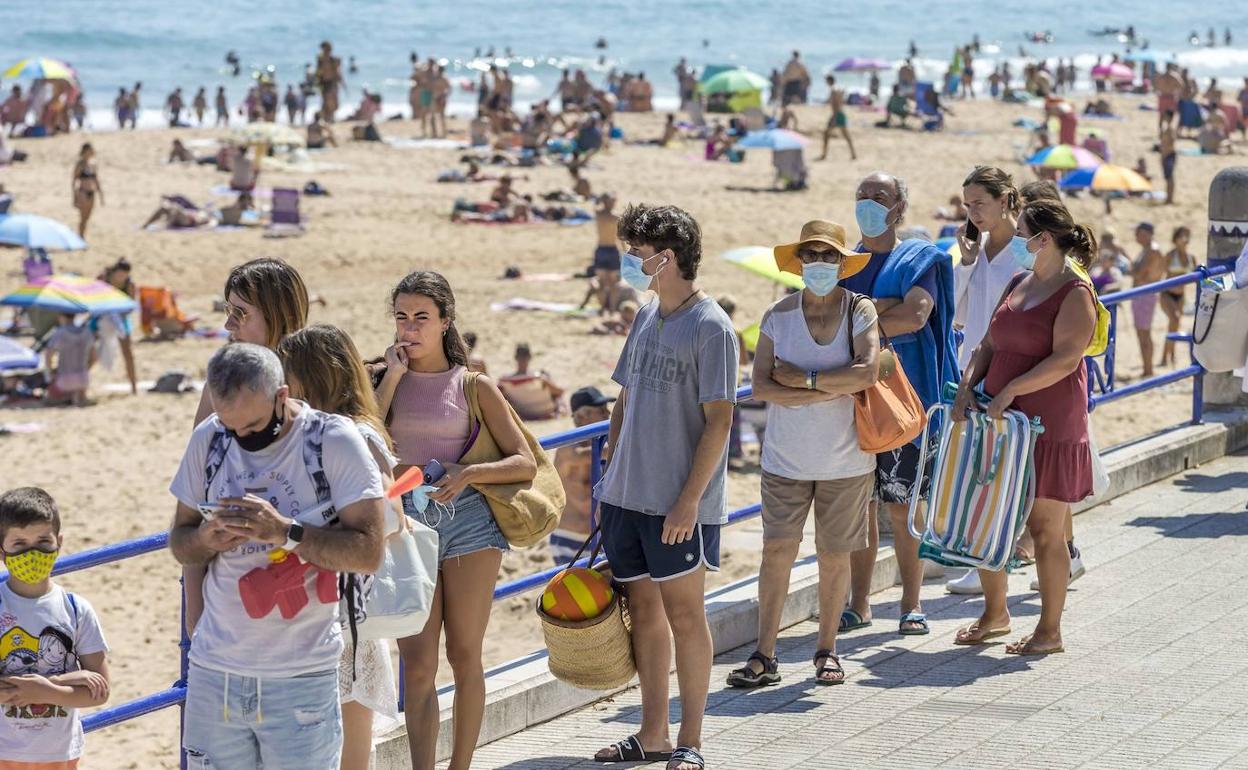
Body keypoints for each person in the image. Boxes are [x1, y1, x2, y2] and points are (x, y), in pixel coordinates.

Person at [168, 343, 387, 769]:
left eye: (252, 426)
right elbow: (179, 541)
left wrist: (285, 532)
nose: (241, 441)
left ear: (282, 397)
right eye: (231, 428)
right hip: (217, 673)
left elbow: (369, 552)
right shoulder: (211, 439)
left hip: (301, 676)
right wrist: (208, 538)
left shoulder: (333, 441)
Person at [591, 204, 738, 770]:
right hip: (626, 497)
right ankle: (652, 735)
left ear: (665, 256)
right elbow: (624, 397)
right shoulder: (647, 314)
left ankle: (692, 741)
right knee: (645, 617)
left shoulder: (712, 327)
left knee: (685, 618)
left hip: (677, 505)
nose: (629, 261)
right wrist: (610, 467)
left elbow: (720, 420)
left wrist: (688, 501)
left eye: (635, 251)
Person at [372, 271, 537, 770]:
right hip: (406, 525)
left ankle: (460, 765)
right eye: (402, 316)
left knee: (465, 655)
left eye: (422, 317)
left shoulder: (473, 385)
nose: (410, 327)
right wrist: (394, 376)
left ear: (445, 322)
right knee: (417, 665)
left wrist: (469, 472)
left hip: (468, 522)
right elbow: (366, 442)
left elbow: (524, 461)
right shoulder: (380, 380)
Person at [726, 220, 879, 689]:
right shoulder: (778, 315)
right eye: (810, 255)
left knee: (834, 556)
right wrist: (830, 387)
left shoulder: (860, 310)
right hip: (785, 460)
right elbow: (762, 386)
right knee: (777, 552)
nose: (819, 263)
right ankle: (764, 653)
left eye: (828, 255)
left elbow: (867, 374)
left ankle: (826, 650)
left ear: (841, 263)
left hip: (846, 461)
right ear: (799, 263)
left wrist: (805, 382)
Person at [950, 198, 1098, 655]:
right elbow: (990, 340)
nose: (1015, 240)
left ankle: (1049, 631)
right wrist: (967, 385)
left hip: (1047, 423)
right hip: (997, 416)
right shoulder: (1019, 280)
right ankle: (995, 614)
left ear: (1044, 239)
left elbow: (1066, 359)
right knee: (985, 514)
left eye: (1022, 233)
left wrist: (1011, 390)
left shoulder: (1075, 292)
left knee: (1044, 529)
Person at [277, 325, 403, 770]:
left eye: (289, 374)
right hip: (325, 602)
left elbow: (391, 517)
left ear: (314, 376)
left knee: (348, 741)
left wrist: (308, 530)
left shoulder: (353, 433)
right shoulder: (323, 430)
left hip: (344, 606)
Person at [841, 172, 959, 637]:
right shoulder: (845, 262)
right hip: (851, 399)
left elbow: (916, 314)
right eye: (862, 195)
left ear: (898, 208)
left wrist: (866, 313)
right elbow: (832, 317)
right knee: (858, 508)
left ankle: (911, 604)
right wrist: (883, 306)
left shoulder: (918, 258)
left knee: (903, 506)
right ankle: (860, 603)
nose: (869, 202)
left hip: (906, 403)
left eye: (880, 196)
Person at [185, 258, 312, 636]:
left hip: (304, 569)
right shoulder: (224, 377)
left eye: (240, 313)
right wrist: (195, 618)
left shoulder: (314, 377)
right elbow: (198, 477)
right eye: (228, 311)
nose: (228, 325)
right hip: (232, 561)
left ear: (278, 314)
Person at [943, 167, 1025, 594]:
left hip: (1013, 371)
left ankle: (1003, 564)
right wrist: (967, 264)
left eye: (979, 203)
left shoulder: (1028, 252)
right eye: (967, 204)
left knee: (1008, 472)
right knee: (983, 469)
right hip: (974, 371)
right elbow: (957, 316)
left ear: (1005, 199)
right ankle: (990, 561)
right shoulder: (976, 254)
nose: (972, 212)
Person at [0, 487, 111, 770]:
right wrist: (65, 681)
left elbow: (99, 690)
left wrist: (46, 691)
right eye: (19, 544)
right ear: (1, 550)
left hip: (60, 754)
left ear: (59, 542)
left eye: (42, 541)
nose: (32, 552)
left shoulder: (76, 609)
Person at [550, 386, 616, 563]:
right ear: (580, 417)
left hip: (599, 537)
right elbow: (586, 454)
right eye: (601, 410)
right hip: (570, 537)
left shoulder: (605, 445)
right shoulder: (568, 448)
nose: (607, 414)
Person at [94, 258, 139, 396]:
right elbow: (92, 296)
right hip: (102, 316)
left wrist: (118, 314)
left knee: (128, 352)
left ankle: (134, 387)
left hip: (121, 319)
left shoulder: (129, 285)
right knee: (92, 350)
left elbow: (131, 306)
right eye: (120, 274)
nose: (121, 278)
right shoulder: (103, 279)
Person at [1131, 222, 1165, 379]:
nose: (1137, 236)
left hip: (1145, 294)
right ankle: (1147, 367)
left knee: (1144, 333)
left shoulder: (1152, 250)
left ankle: (1148, 369)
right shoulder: (1147, 249)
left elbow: (1139, 274)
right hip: (1142, 294)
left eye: (1140, 233)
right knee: (1141, 333)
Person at [1159, 226, 1195, 367]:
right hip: (1167, 294)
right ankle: (1166, 357)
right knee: (1175, 319)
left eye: (1186, 236)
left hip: (1181, 295)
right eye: (1182, 236)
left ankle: (1169, 355)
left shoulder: (1191, 258)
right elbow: (1161, 274)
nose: (1184, 239)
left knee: (1174, 325)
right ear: (1176, 239)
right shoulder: (1169, 255)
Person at [43, 313, 96, 406]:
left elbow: (48, 355)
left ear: (61, 317)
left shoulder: (60, 333)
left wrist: (51, 372)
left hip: (64, 380)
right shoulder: (87, 332)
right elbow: (94, 357)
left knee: (50, 394)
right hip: (83, 379)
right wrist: (86, 369)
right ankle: (79, 396)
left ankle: (67, 397)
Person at [593, 193, 623, 312]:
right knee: (611, 283)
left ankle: (606, 308)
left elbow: (594, 205)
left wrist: (599, 199)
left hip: (603, 250)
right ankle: (610, 308)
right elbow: (621, 237)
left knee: (607, 283)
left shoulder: (599, 215)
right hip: (610, 250)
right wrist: (625, 251)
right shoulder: (615, 217)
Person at [819, 76, 856, 161]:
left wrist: (834, 117)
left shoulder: (833, 90)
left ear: (829, 81)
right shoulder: (839, 89)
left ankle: (824, 154)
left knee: (826, 134)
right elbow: (841, 102)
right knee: (845, 134)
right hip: (840, 113)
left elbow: (836, 104)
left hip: (837, 114)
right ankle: (853, 153)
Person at [71, 143, 102, 238]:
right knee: (83, 218)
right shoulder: (80, 164)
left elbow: (96, 180)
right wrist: (75, 197)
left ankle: (82, 236)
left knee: (87, 217)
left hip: (92, 192)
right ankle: (81, 237)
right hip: (83, 192)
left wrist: (101, 194)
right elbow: (74, 181)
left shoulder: (93, 164)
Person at [1159, 114, 1177, 205]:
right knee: (1167, 178)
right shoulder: (1166, 129)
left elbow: (1171, 143)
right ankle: (1168, 197)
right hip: (1166, 155)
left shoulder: (1170, 130)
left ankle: (1170, 198)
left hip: (1169, 155)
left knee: (1170, 177)